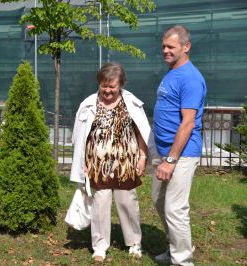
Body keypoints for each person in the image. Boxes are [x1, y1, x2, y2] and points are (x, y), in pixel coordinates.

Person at [70, 63, 156, 262]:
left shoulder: (131, 103)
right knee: (100, 204)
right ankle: (99, 246)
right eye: (104, 86)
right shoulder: (88, 104)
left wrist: (142, 158)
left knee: (128, 204)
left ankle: (134, 243)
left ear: (121, 85)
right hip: (97, 166)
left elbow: (142, 133)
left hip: (125, 164)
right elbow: (79, 136)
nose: (108, 91)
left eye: (112, 87)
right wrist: (82, 161)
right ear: (99, 84)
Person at [152, 25, 206, 266]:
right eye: (164, 46)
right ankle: (176, 247)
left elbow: (188, 123)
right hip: (163, 150)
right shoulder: (171, 72)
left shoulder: (191, 78)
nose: (165, 50)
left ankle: (183, 261)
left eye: (171, 47)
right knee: (159, 202)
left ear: (186, 47)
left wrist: (171, 160)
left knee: (175, 208)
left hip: (181, 154)